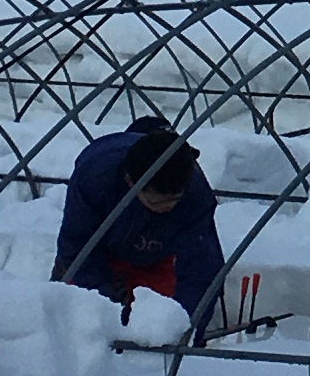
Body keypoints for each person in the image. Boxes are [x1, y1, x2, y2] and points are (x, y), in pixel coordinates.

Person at [54, 115, 227, 333]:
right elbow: (77, 246)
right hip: (98, 253)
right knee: (77, 321)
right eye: (157, 202)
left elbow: (201, 270)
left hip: (157, 257)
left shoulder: (196, 195)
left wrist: (184, 329)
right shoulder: (96, 177)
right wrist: (105, 313)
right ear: (131, 182)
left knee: (158, 322)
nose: (168, 208)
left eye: (175, 200)